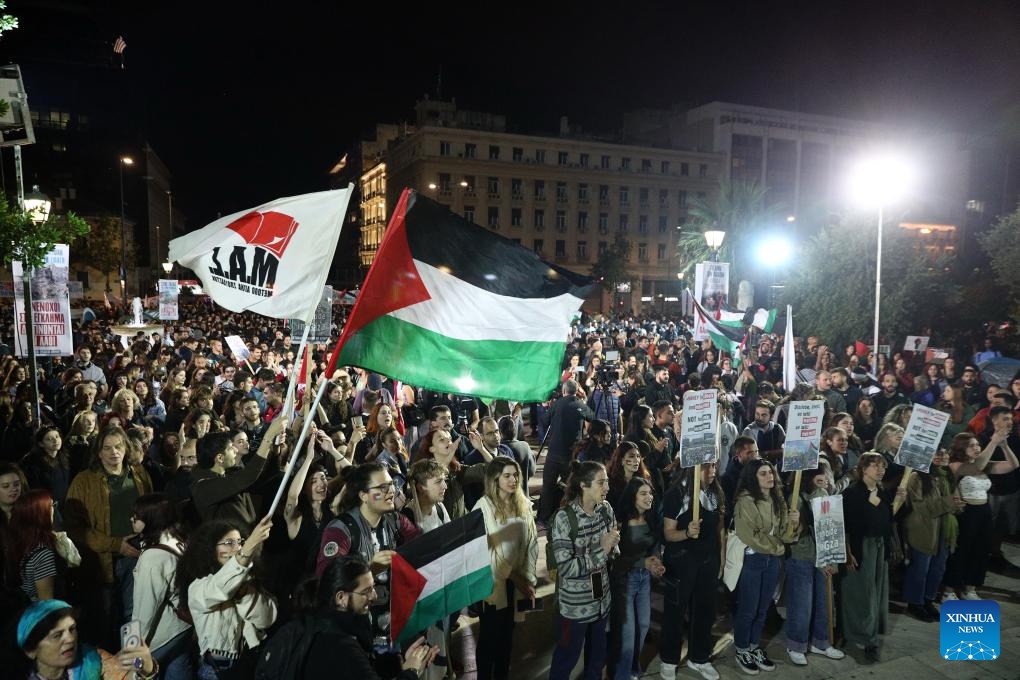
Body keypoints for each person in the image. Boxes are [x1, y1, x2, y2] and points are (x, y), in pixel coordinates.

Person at [315, 463, 422, 648]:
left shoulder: (395, 520)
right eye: (382, 487)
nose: (391, 492)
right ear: (363, 495)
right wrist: (370, 570)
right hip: (357, 635)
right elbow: (327, 582)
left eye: (391, 485)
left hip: (394, 628)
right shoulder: (340, 530)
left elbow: (423, 546)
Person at [64, 424, 155, 640]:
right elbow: (75, 527)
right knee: (103, 620)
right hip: (100, 563)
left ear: (126, 448)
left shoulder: (140, 474)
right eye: (107, 448)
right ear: (98, 451)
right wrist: (115, 545)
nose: (114, 452)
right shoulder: (83, 481)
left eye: (118, 446)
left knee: (133, 618)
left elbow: (152, 511)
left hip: (136, 557)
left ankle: (132, 666)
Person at [302, 555, 439, 679]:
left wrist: (404, 664)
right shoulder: (339, 645)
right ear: (341, 597)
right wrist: (412, 671)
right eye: (366, 591)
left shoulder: (335, 624)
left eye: (373, 587)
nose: (374, 595)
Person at [177, 517, 277, 679]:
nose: (237, 548)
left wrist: (245, 593)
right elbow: (221, 588)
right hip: (216, 672)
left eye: (240, 542)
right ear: (210, 549)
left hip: (249, 665)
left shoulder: (250, 581)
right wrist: (250, 546)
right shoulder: (199, 587)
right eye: (229, 543)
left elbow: (266, 619)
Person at [548, 460, 619, 680]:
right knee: (566, 659)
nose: (607, 487)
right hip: (576, 609)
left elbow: (613, 548)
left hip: (601, 603)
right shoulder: (564, 518)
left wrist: (614, 545)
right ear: (583, 485)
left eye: (606, 482)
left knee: (597, 659)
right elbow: (566, 568)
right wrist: (603, 549)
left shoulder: (606, 509)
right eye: (601, 483)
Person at [472, 456, 538, 680]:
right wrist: (515, 577)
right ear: (495, 479)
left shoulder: (522, 503)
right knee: (490, 637)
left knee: (507, 637)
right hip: (492, 585)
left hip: (516, 582)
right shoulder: (483, 507)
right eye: (507, 476)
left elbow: (531, 542)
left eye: (516, 475)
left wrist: (527, 577)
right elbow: (486, 550)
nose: (513, 480)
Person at [657, 462, 723, 680]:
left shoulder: (715, 492)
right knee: (675, 612)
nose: (712, 471)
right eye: (707, 466)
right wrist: (687, 532)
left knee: (705, 611)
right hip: (681, 561)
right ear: (693, 467)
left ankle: (699, 658)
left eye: (714, 465)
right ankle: (668, 659)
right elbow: (668, 533)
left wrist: (720, 560)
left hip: (708, 561)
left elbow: (719, 528)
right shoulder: (676, 494)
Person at [732, 459, 798, 675]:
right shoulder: (746, 500)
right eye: (763, 473)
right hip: (754, 560)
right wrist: (776, 546)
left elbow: (786, 535)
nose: (770, 476)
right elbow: (749, 535)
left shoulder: (778, 498)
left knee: (763, 608)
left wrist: (793, 523)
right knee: (748, 609)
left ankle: (754, 646)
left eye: (770, 472)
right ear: (753, 477)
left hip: (772, 560)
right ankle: (742, 649)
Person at [840, 453, 907, 663]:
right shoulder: (852, 493)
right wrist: (848, 550)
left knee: (876, 591)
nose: (880, 470)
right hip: (861, 548)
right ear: (863, 468)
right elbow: (846, 525)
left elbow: (887, 518)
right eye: (875, 465)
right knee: (861, 592)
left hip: (879, 547)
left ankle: (871, 634)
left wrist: (900, 501)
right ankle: (859, 635)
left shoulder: (882, 491)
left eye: (883, 466)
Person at [943, 428, 1017, 600]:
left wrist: (1004, 446)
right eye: (971, 446)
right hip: (966, 513)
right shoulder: (956, 465)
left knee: (981, 551)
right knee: (962, 552)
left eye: (977, 445)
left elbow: (1013, 465)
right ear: (961, 448)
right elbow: (975, 468)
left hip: (984, 512)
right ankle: (949, 590)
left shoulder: (983, 464)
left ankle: (970, 588)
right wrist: (993, 442)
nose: (977, 448)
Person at [783, 468, 845, 666]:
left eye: (826, 475)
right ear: (806, 477)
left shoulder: (825, 495)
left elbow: (831, 528)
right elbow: (792, 533)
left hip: (823, 556)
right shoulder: (794, 498)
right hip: (801, 556)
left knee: (824, 601)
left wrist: (831, 559)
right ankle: (796, 644)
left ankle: (822, 641)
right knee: (802, 604)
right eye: (819, 475)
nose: (824, 479)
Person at [130, 493, 193, 680]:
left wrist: (134, 646)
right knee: (179, 667)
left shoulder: (152, 558)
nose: (131, 519)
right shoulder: (177, 539)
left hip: (166, 632)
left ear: (151, 519)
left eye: (137, 516)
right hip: (185, 624)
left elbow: (145, 608)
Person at [14, 599, 158, 679]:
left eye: (72, 629)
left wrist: (147, 670)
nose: (70, 639)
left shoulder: (93, 659)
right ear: (31, 650)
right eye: (57, 635)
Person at [190, 416, 287, 533]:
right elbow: (247, 476)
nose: (235, 450)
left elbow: (259, 478)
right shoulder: (203, 487)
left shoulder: (228, 474)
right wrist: (268, 438)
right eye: (231, 448)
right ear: (220, 458)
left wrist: (275, 450)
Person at [608, 476, 663, 680]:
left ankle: (631, 669)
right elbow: (616, 559)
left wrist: (656, 562)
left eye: (650, 493)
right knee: (627, 635)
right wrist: (643, 563)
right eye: (643, 493)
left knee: (644, 626)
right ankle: (621, 675)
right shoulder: (621, 523)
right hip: (624, 581)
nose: (649, 497)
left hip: (644, 581)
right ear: (633, 496)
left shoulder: (651, 518)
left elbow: (654, 547)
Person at [902, 449, 963, 622]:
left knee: (938, 569)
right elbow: (922, 508)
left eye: (945, 453)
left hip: (944, 531)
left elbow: (958, 501)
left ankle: (928, 599)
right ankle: (915, 603)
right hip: (923, 530)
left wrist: (956, 504)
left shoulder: (947, 475)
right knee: (920, 569)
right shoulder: (916, 477)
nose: (942, 457)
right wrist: (949, 503)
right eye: (937, 454)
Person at [539, 380, 595, 523]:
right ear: (577, 391)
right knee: (570, 487)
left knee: (548, 486)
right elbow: (592, 417)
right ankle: (569, 518)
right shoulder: (579, 405)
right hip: (570, 455)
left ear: (564, 391)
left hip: (553, 453)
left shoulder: (557, 404)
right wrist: (584, 399)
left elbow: (544, 422)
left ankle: (544, 518)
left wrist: (549, 410)